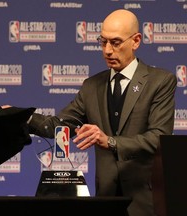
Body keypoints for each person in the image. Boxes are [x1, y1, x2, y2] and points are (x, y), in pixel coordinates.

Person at [25, 9, 177, 216]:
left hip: (147, 200)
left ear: (136, 41)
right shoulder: (91, 86)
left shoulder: (160, 81)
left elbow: (158, 138)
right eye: (102, 41)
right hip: (105, 199)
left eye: (115, 42)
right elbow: (58, 126)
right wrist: (21, 116)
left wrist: (110, 142)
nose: (107, 50)